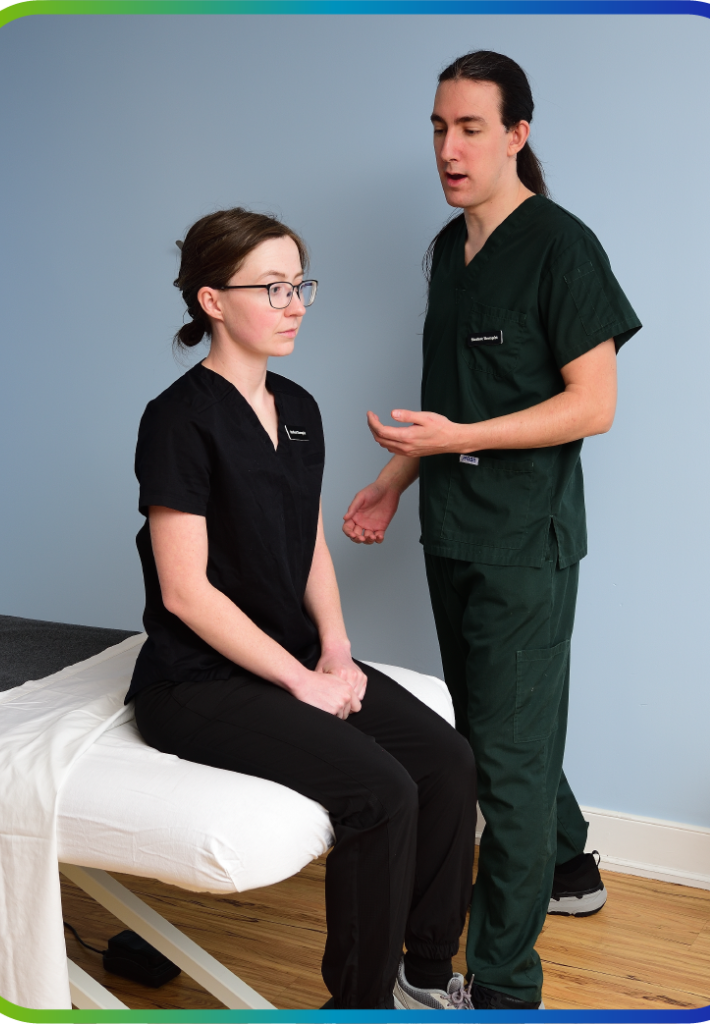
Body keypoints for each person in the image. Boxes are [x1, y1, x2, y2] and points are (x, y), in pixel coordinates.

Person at [343, 52, 642, 1010]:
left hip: (522, 546)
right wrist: (393, 480)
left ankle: (505, 984)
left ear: (518, 134)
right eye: (439, 127)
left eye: (471, 128)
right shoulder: (449, 250)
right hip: (453, 534)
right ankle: (569, 866)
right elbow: (450, 394)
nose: (449, 148)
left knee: (504, 765)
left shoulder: (562, 247)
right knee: (494, 737)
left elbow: (593, 405)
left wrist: (460, 441)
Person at [123, 208, 479, 1011]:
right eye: (273, 288)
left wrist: (337, 650)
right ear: (213, 300)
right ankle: (357, 1005)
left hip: (290, 654)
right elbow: (184, 591)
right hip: (197, 681)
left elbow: (308, 542)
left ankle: (424, 974)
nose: (295, 305)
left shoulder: (298, 407)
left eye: (300, 286)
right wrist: (301, 682)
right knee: (381, 793)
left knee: (449, 761)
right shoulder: (178, 420)